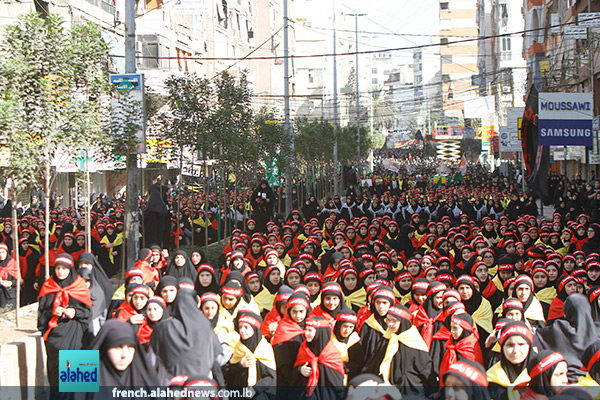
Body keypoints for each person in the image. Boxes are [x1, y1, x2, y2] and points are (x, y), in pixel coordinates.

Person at [38, 254, 92, 386]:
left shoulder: (79, 286)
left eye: (64, 268)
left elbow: (88, 312)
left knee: (78, 379)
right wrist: (52, 312)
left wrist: (75, 312)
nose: (61, 272)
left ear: (70, 269)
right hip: (55, 338)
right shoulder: (48, 286)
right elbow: (41, 315)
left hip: (76, 335)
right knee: (57, 379)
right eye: (58, 268)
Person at [536, 293, 600, 382]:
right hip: (593, 380)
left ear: (566, 312)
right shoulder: (597, 329)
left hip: (564, 380)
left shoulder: (558, 328)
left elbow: (536, 333)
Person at [87, 319, 159, 396]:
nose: (124, 355)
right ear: (104, 347)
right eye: (118, 347)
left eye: (130, 347)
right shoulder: (83, 374)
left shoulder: (145, 380)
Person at [224, 310, 276, 400]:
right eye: (240, 327)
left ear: (254, 329)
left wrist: (255, 389)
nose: (242, 331)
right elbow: (228, 373)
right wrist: (240, 365)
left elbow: (271, 376)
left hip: (259, 394)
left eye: (246, 327)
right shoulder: (238, 347)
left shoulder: (264, 349)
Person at [293, 316, 345, 400]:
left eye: (310, 330)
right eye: (306, 329)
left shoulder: (332, 355)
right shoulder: (304, 348)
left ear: (320, 333)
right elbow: (295, 374)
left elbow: (337, 385)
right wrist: (300, 369)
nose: (306, 333)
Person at [487, 321, 533, 400]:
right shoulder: (490, 378)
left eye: (521, 344)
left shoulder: (541, 376)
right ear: (502, 347)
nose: (516, 350)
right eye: (510, 345)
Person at [0, 242, 19, 309]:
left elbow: (18, 280)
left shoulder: (13, 263)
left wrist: (10, 283)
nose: (1, 255)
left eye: (3, 252)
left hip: (10, 295)